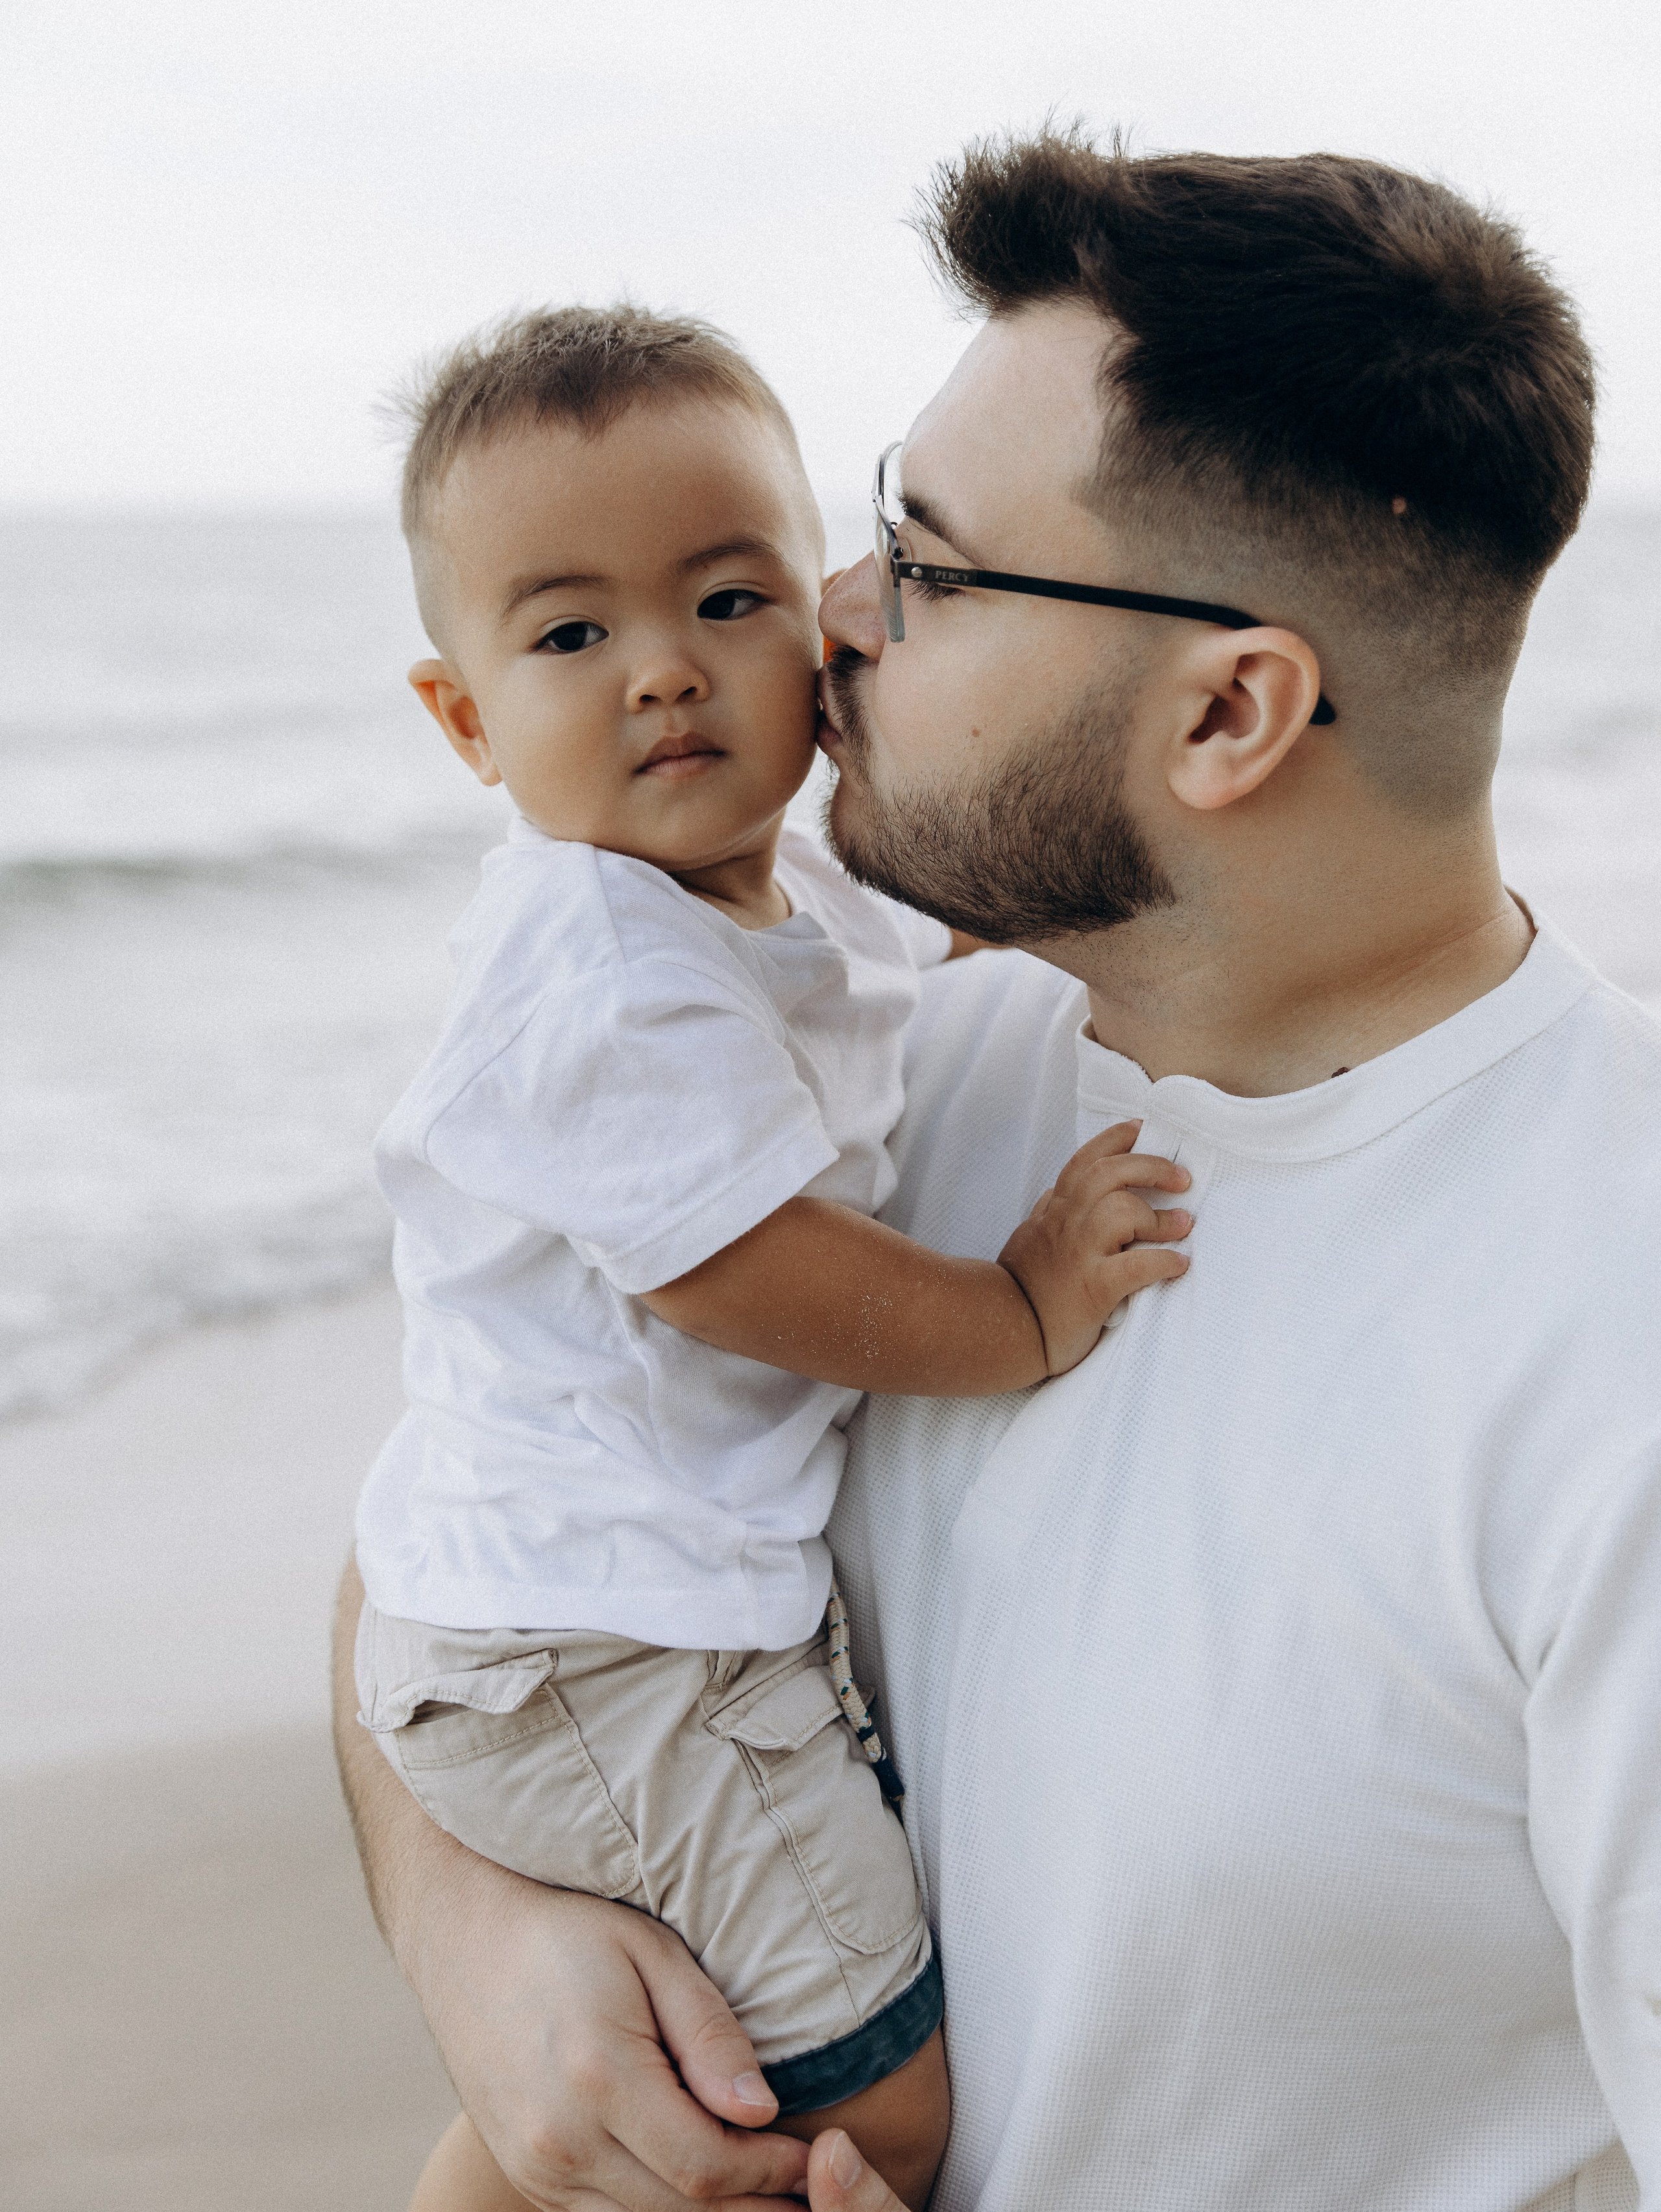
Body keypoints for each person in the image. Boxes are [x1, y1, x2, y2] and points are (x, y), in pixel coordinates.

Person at [335, 134, 1661, 2211]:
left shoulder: (1612, 1351)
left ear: (1231, 707)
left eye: (933, 569)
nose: (830, 618)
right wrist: (478, 1946)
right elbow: (462, 1531)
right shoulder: (893, 1066)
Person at [350, 302, 1194, 2211]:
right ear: (466, 719)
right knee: (866, 2113)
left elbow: (914, 981)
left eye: (725, 600)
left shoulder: (780, 883)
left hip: (617, 1614)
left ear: (813, 626)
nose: (664, 673)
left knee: (696, 2054)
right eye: (572, 634)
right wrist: (1019, 1311)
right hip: (611, 1641)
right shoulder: (597, 971)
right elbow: (739, 1266)